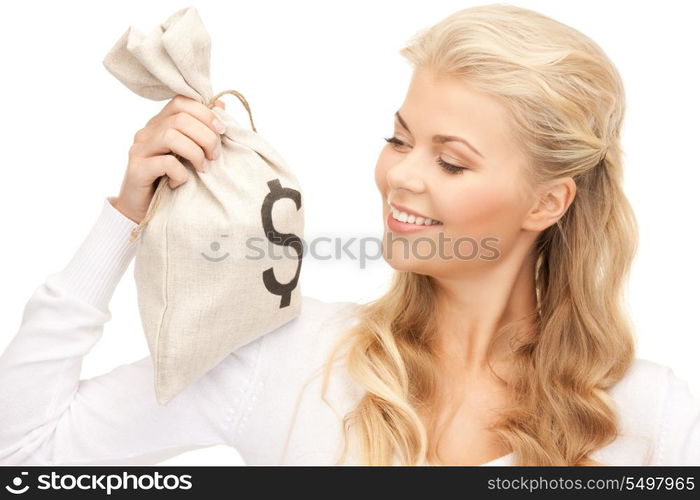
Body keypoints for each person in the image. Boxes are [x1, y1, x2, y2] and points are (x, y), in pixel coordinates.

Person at [0, 4, 698, 466]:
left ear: (548, 201)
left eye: (451, 161)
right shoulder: (283, 357)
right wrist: (124, 217)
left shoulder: (654, 420)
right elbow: (27, 451)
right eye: (398, 140)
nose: (401, 177)